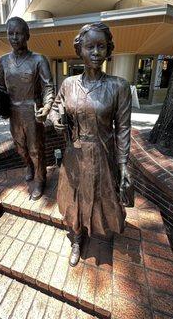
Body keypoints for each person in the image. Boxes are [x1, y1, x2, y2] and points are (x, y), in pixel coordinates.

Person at [50, 22, 132, 266]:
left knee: (101, 197)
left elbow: (124, 128)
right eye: (90, 47)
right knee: (74, 196)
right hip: (74, 153)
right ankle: (76, 237)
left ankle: (101, 229)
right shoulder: (68, 84)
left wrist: (124, 164)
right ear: (80, 50)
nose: (96, 52)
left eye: (101, 46)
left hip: (102, 153)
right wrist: (56, 118)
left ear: (109, 50)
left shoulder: (119, 86)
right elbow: (56, 106)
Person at [0, 17, 55, 200]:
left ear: (27, 35)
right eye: (10, 34)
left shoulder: (38, 60)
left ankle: (40, 179)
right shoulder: (4, 61)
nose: (14, 37)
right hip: (14, 111)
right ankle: (28, 165)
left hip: (32, 110)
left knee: (36, 149)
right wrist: (2, 106)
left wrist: (46, 107)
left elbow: (48, 87)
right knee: (21, 148)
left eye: (18, 33)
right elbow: (0, 87)